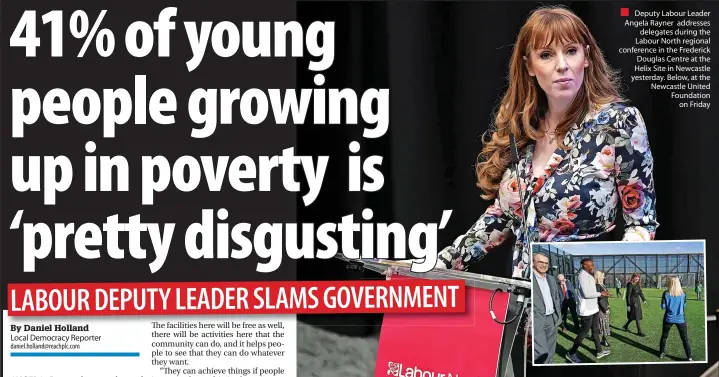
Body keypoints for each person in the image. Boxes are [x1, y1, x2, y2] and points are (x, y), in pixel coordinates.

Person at [386, 5, 658, 281]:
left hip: (584, 295)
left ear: (586, 57)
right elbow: (500, 217)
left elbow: (641, 223)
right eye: (546, 55)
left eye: (571, 51)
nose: (562, 65)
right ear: (529, 66)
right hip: (522, 305)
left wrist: (615, 279)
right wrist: (430, 265)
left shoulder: (619, 122)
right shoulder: (522, 127)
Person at [566, 258, 611, 363]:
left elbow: (592, 291)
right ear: (583, 265)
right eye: (589, 265)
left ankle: (599, 351)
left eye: (593, 265)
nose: (592, 266)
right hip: (586, 310)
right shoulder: (582, 276)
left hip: (594, 308)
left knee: (595, 331)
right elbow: (587, 294)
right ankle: (571, 353)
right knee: (584, 332)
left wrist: (602, 294)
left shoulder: (589, 276)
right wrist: (601, 294)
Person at [532, 253, 563, 363]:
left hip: (552, 319)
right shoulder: (529, 278)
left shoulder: (551, 279)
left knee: (550, 350)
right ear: (533, 262)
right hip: (537, 320)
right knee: (541, 352)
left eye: (546, 263)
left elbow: (556, 298)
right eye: (540, 262)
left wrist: (558, 316)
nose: (544, 265)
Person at [659, 276, 692, 361]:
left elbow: (663, 307)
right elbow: (684, 306)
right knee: (685, 339)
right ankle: (689, 357)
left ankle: (661, 353)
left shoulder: (665, 293)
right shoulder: (683, 293)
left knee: (664, 336)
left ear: (670, 283)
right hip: (681, 319)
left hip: (668, 319)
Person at [594, 270, 611, 347]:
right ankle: (604, 340)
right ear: (598, 276)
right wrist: (605, 309)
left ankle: (601, 338)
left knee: (604, 324)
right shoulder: (597, 286)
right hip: (601, 309)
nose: (603, 277)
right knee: (603, 324)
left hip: (604, 306)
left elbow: (605, 298)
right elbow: (600, 299)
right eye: (602, 276)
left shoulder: (602, 285)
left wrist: (608, 305)